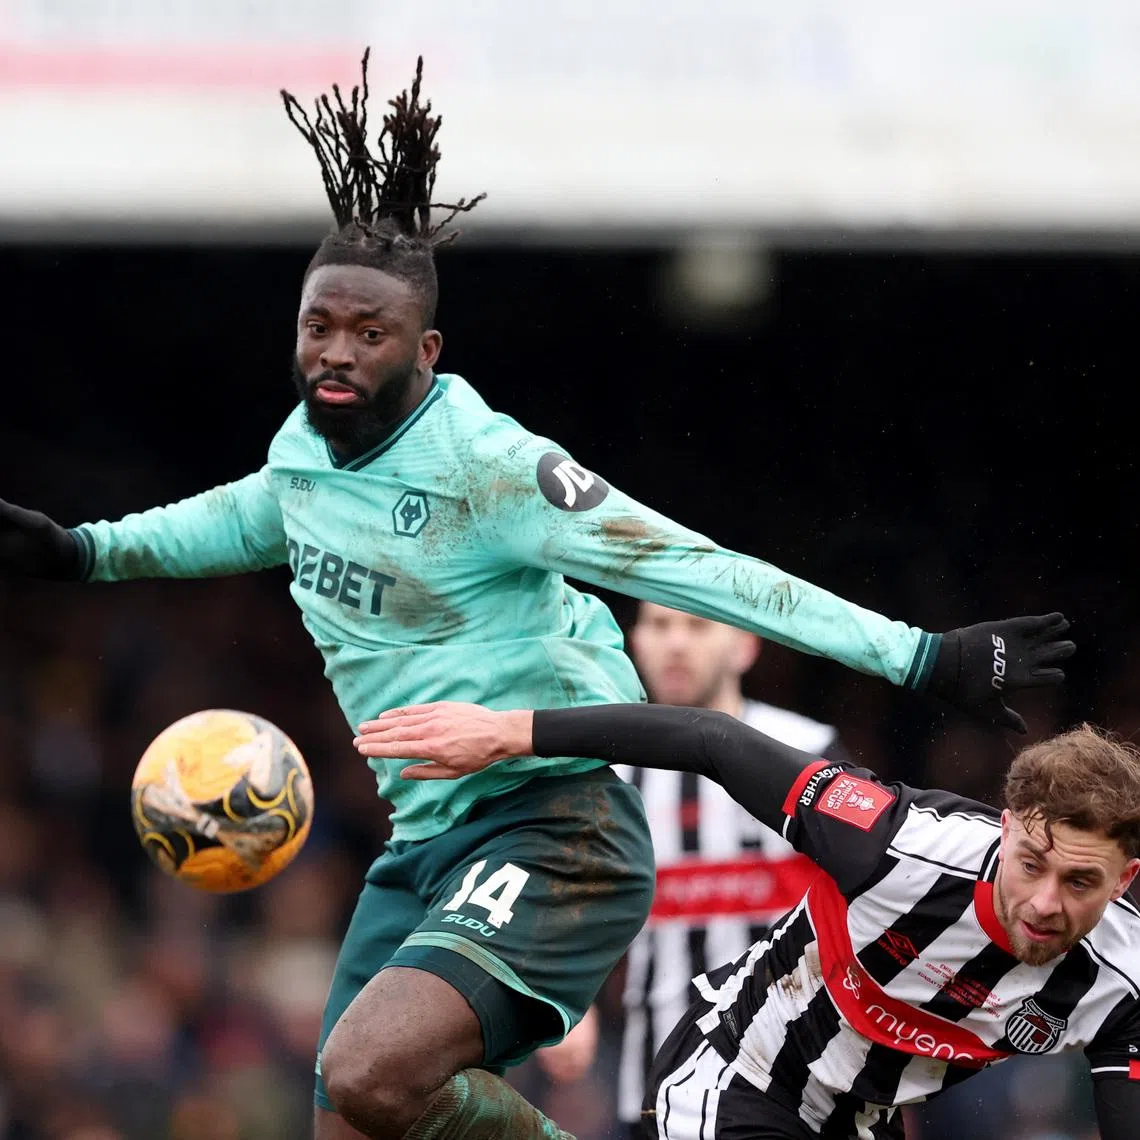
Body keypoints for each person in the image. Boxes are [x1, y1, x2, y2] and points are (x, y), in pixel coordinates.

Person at [0, 50, 1076, 1140]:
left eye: (367, 336)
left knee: (377, 1075)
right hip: (422, 842)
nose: (334, 354)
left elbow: (695, 568)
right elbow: (246, 515)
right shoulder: (306, 453)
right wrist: (79, 552)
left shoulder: (493, 469)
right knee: (355, 1123)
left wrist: (919, 656)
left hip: (553, 823)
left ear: (424, 351)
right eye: (317, 327)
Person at [352, 703, 1140, 1140]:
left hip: (860, 1123)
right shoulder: (897, 843)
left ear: (1126, 879)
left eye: (1080, 882)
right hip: (736, 1068)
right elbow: (712, 741)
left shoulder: (1122, 981)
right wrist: (509, 733)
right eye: (1032, 863)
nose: (1044, 902)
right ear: (1006, 830)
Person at [619, 602, 851, 1136]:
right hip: (657, 1080)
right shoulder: (612, 770)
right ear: (634, 640)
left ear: (745, 646)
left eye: (697, 625)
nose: (676, 643)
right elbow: (576, 910)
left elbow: (867, 900)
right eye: (658, 625)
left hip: (799, 1079)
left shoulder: (809, 752)